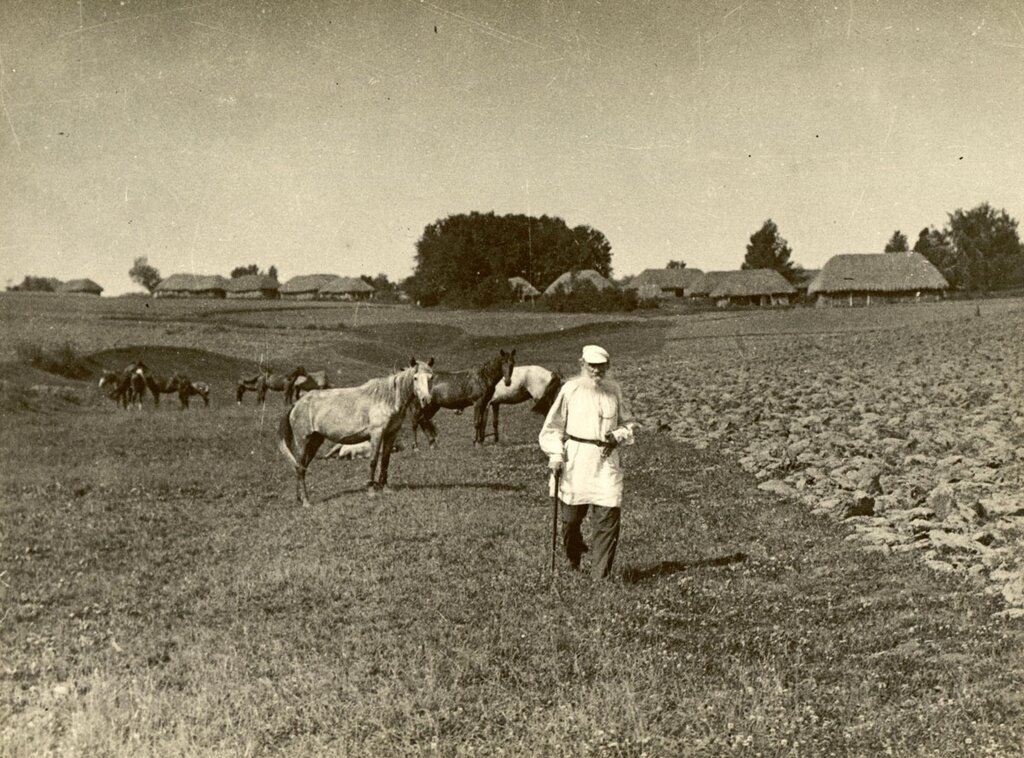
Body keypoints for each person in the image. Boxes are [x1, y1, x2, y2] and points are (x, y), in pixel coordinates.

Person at [538, 344, 638, 580]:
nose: (596, 371)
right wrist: (555, 454)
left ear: (608, 367)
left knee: (608, 516)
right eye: (592, 366)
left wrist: (620, 434)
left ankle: (599, 577)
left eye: (601, 366)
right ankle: (573, 557)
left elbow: (630, 422)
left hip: (605, 463)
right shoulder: (570, 390)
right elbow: (551, 427)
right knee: (570, 520)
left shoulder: (614, 391)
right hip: (576, 461)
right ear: (582, 365)